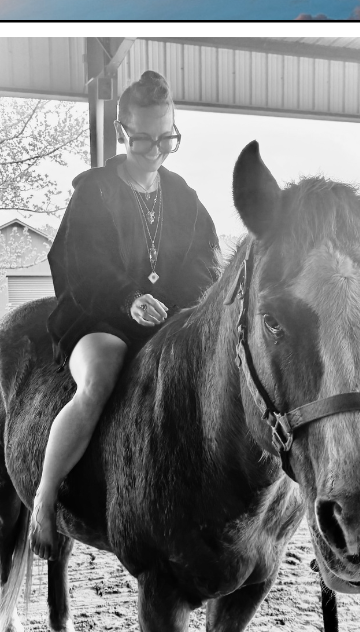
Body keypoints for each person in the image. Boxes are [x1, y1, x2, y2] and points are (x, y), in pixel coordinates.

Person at [28, 70, 220, 557]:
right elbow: (82, 264)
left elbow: (204, 262)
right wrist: (128, 298)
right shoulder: (92, 193)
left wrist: (179, 309)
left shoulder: (186, 199)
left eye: (166, 139)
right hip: (97, 315)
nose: (155, 151)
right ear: (121, 132)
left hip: (168, 317)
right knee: (102, 374)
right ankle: (46, 496)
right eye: (143, 140)